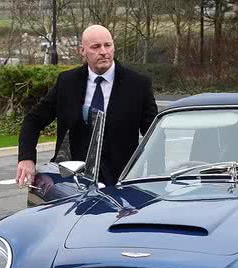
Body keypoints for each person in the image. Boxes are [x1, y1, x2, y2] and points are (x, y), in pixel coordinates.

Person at [17, 24, 158, 186]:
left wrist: (155, 181)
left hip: (121, 186)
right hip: (72, 185)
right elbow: (33, 120)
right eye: (96, 47)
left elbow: (153, 137)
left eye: (108, 45)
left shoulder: (138, 85)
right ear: (82, 51)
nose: (104, 52)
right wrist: (26, 158)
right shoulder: (67, 82)